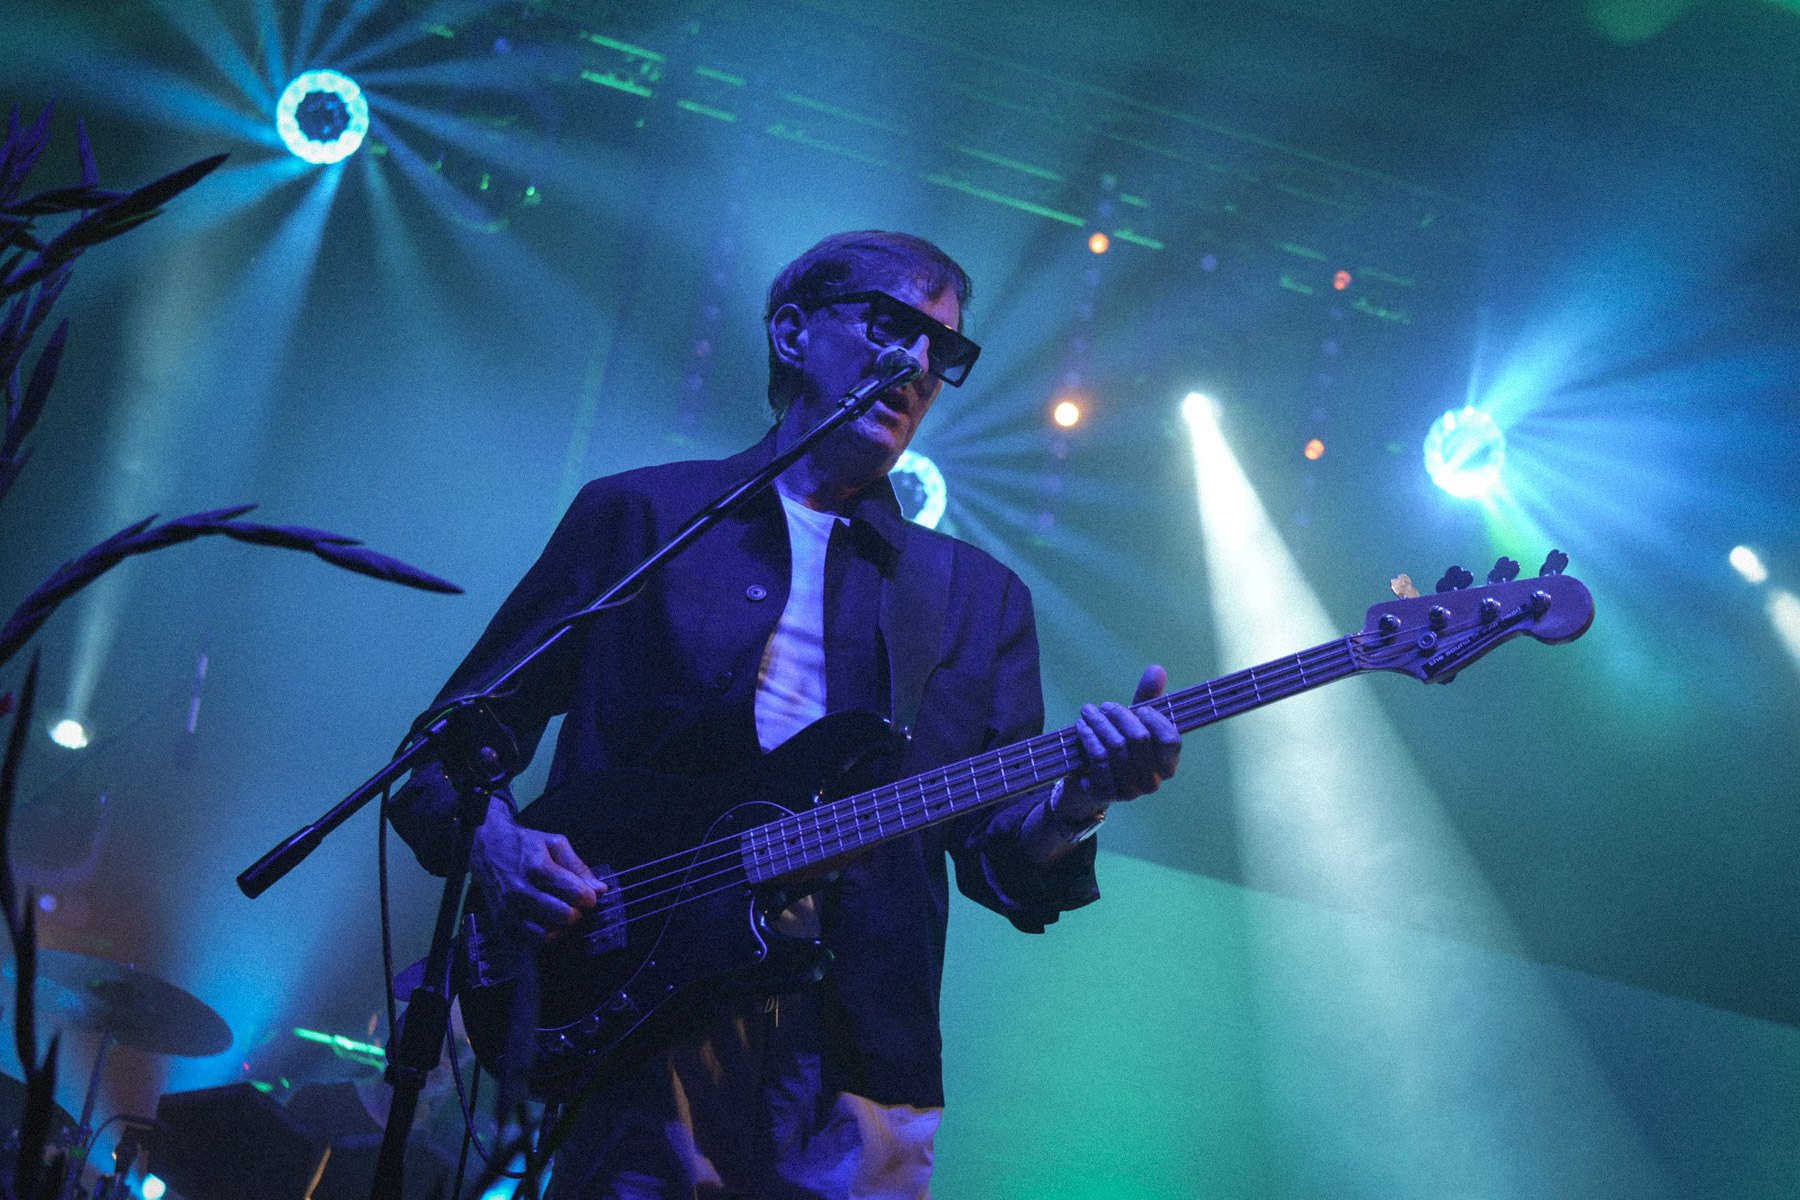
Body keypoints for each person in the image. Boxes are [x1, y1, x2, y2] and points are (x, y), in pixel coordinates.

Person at [390, 231, 1182, 1198]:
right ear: (793, 333)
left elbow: (1001, 861)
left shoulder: (978, 598)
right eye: (890, 325)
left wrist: (1079, 803)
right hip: (639, 1015)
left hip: (860, 1053)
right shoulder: (643, 519)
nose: (919, 364)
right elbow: (447, 750)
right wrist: (496, 843)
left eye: (944, 350)